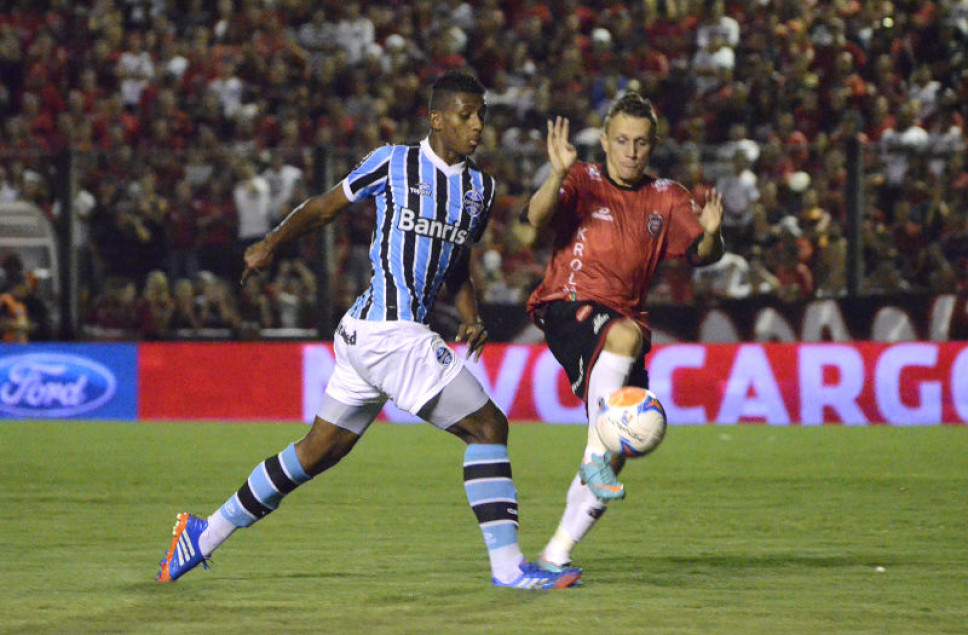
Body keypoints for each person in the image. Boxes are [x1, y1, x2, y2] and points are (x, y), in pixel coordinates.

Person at [155, 71, 581, 590]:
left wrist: (469, 314)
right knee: (488, 427)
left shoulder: (479, 189)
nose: (477, 126)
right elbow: (323, 208)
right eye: (466, 115)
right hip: (386, 329)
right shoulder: (393, 162)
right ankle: (510, 568)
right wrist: (270, 243)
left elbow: (456, 262)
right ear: (437, 118)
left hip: (370, 338)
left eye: (482, 116)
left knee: (315, 453)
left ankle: (201, 537)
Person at [522, 93, 724, 573]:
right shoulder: (581, 179)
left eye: (640, 143)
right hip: (567, 304)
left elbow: (702, 254)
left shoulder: (668, 198)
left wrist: (713, 234)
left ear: (652, 146)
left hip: (622, 322)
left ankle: (555, 555)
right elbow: (532, 224)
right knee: (625, 338)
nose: (630, 152)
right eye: (621, 141)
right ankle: (593, 455)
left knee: (621, 449)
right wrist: (555, 174)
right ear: (606, 141)